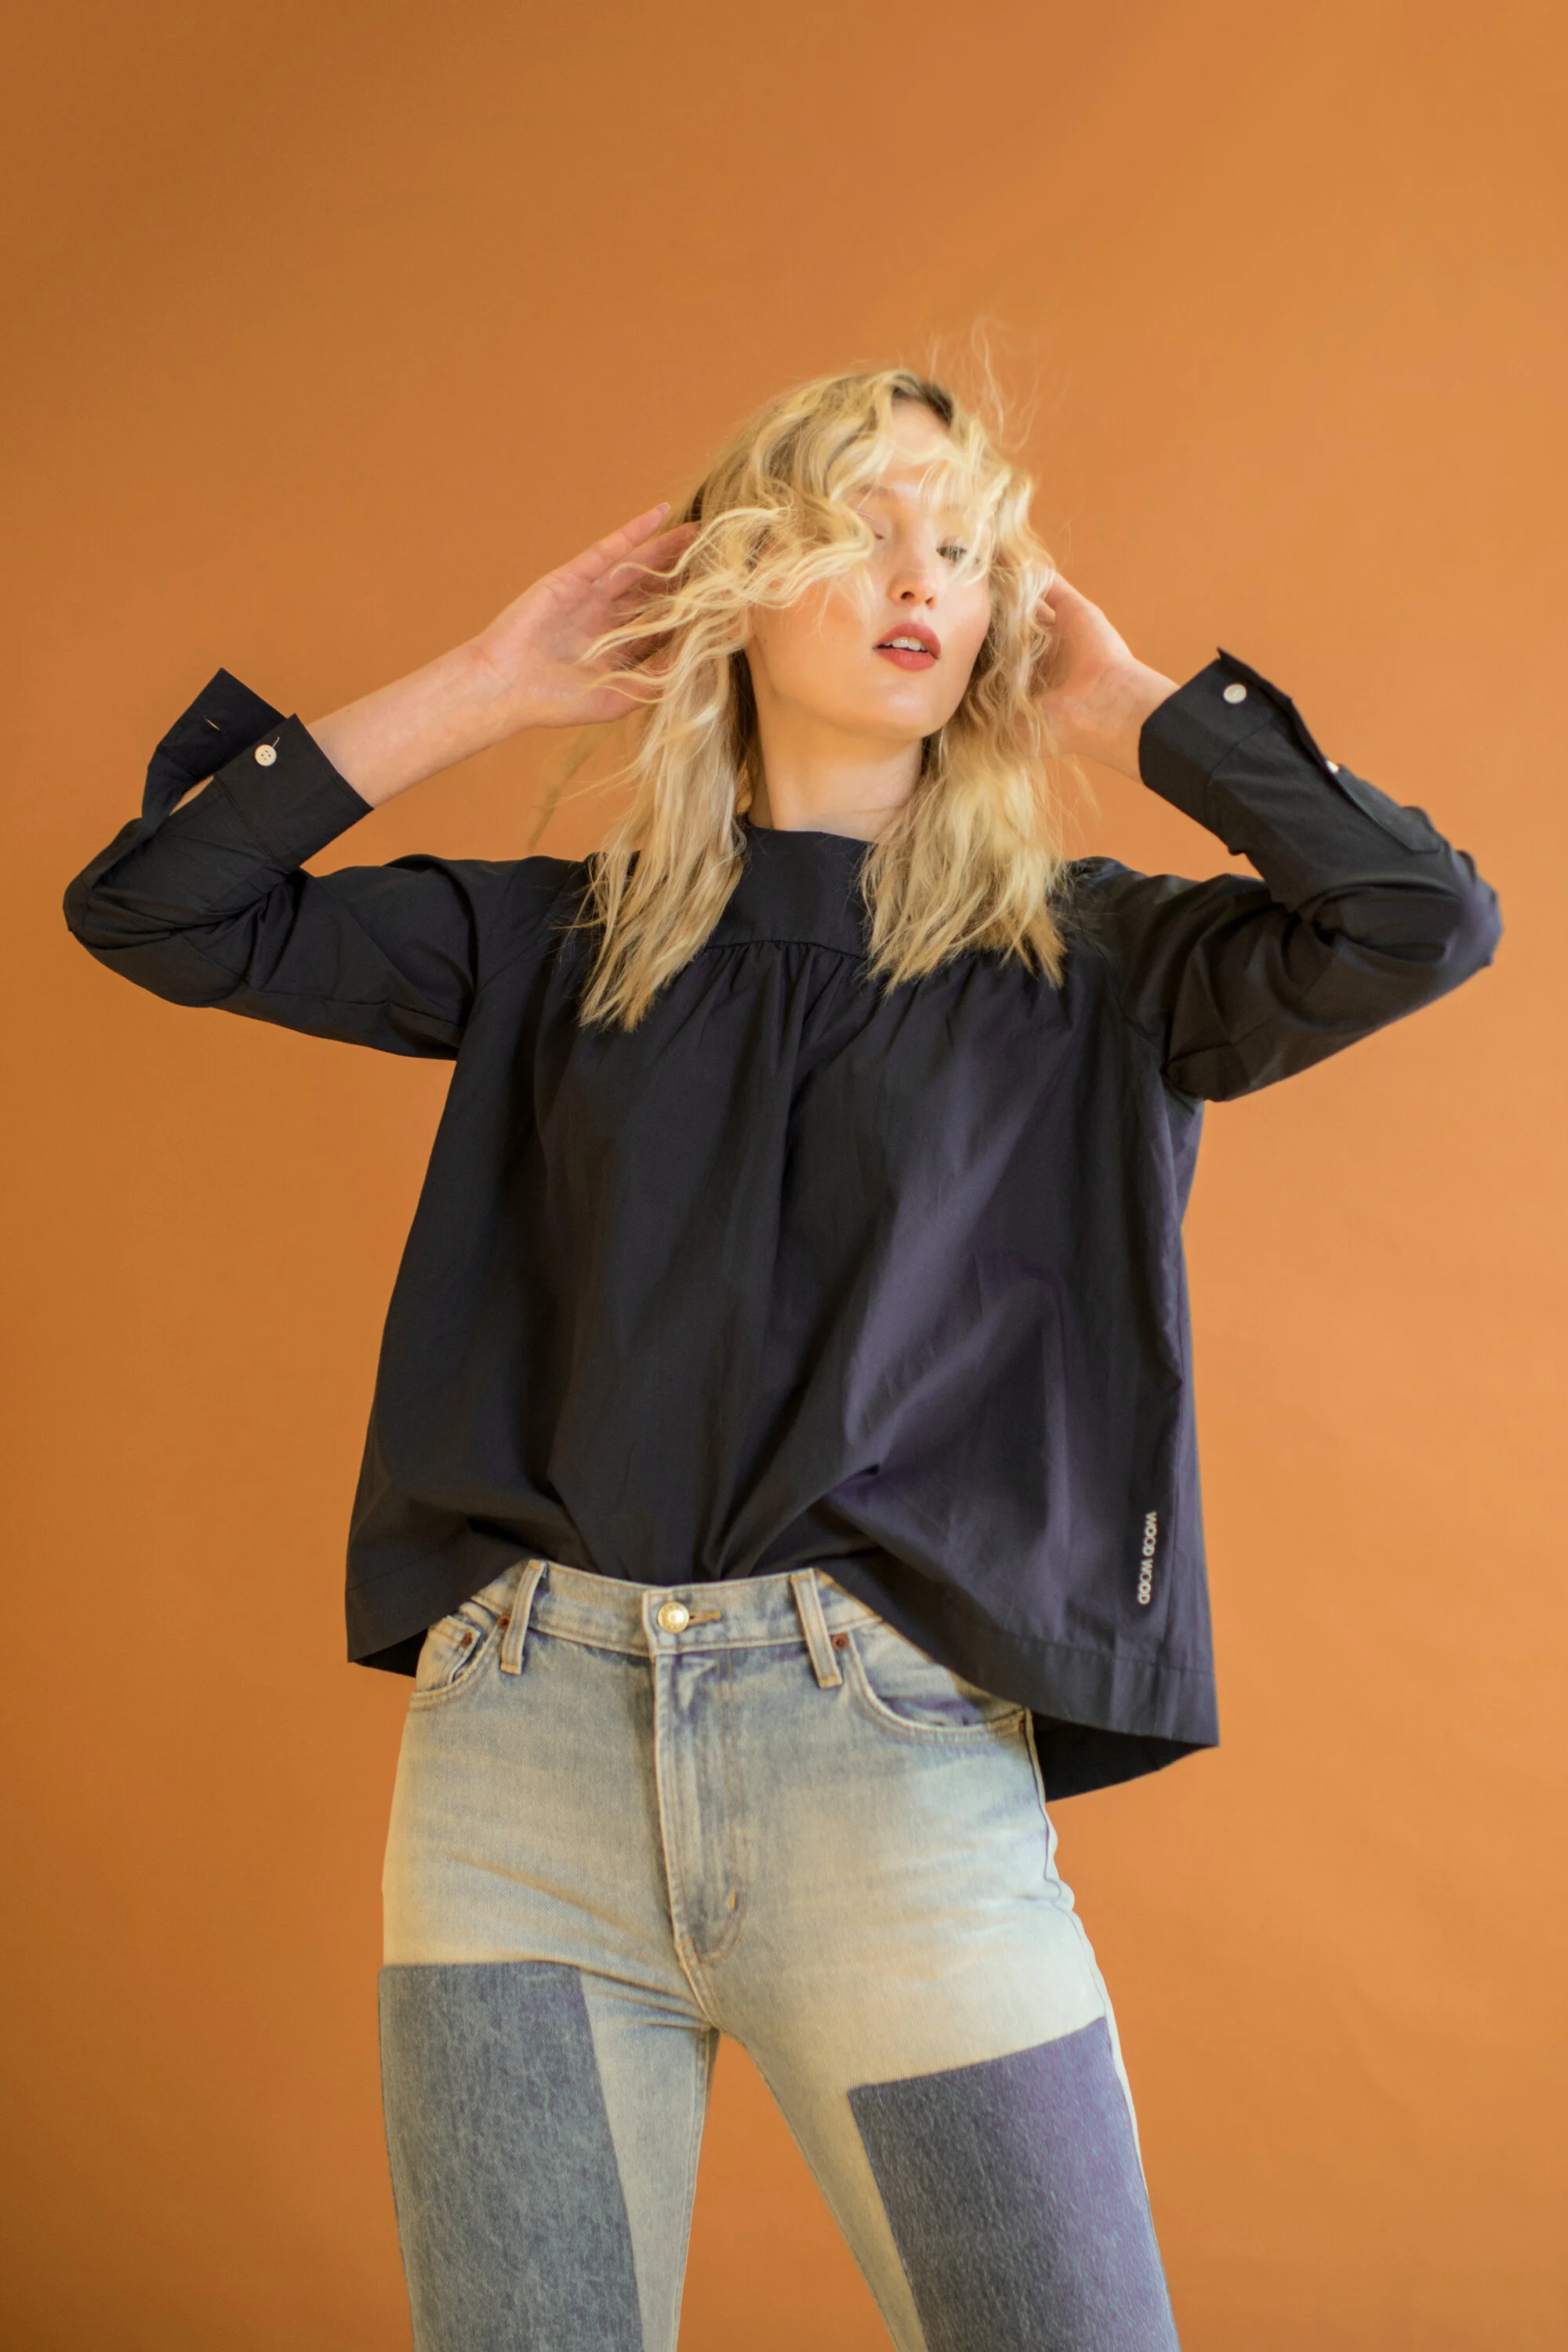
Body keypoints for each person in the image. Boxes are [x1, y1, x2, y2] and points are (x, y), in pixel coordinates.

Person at [63, 368, 1501, 2352]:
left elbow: (1419, 920)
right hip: (519, 1769)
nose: (923, 578)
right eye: (861, 526)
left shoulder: (1098, 966)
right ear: (733, 582)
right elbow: (155, 908)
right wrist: (489, 682)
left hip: (888, 1771)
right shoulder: (556, 946)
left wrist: (1130, 704)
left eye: (964, 547)